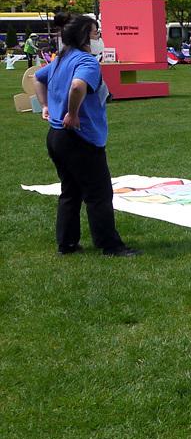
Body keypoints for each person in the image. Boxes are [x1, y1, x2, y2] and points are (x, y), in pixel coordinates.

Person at [31, 15, 138, 257]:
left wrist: (45, 105)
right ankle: (110, 245)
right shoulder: (86, 61)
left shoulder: (61, 59)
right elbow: (78, 86)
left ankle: (67, 243)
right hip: (80, 138)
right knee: (99, 193)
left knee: (70, 191)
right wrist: (72, 113)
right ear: (84, 36)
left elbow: (37, 78)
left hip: (57, 136)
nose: (99, 37)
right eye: (95, 32)